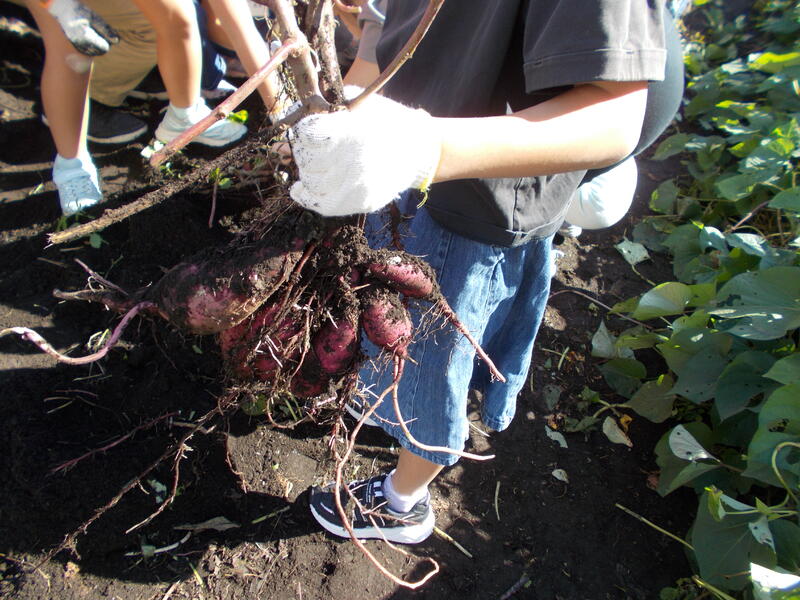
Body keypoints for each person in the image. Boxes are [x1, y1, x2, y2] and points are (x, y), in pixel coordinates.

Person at [284, 0, 684, 544]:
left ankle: (403, 503)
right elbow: (383, 36)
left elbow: (613, 118)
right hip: (409, 173)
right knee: (387, 324)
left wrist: (423, 148)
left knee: (431, 372)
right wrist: (347, 112)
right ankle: (377, 398)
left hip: (477, 207)